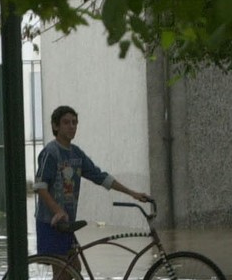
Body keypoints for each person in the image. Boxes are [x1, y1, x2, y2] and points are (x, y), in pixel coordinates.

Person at [32, 105, 148, 260]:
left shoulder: (76, 153)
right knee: (61, 272)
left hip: (67, 223)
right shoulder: (50, 153)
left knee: (73, 269)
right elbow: (40, 187)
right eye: (66, 122)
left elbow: (100, 177)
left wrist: (133, 193)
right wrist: (58, 211)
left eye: (74, 123)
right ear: (55, 126)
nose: (71, 126)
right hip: (51, 222)